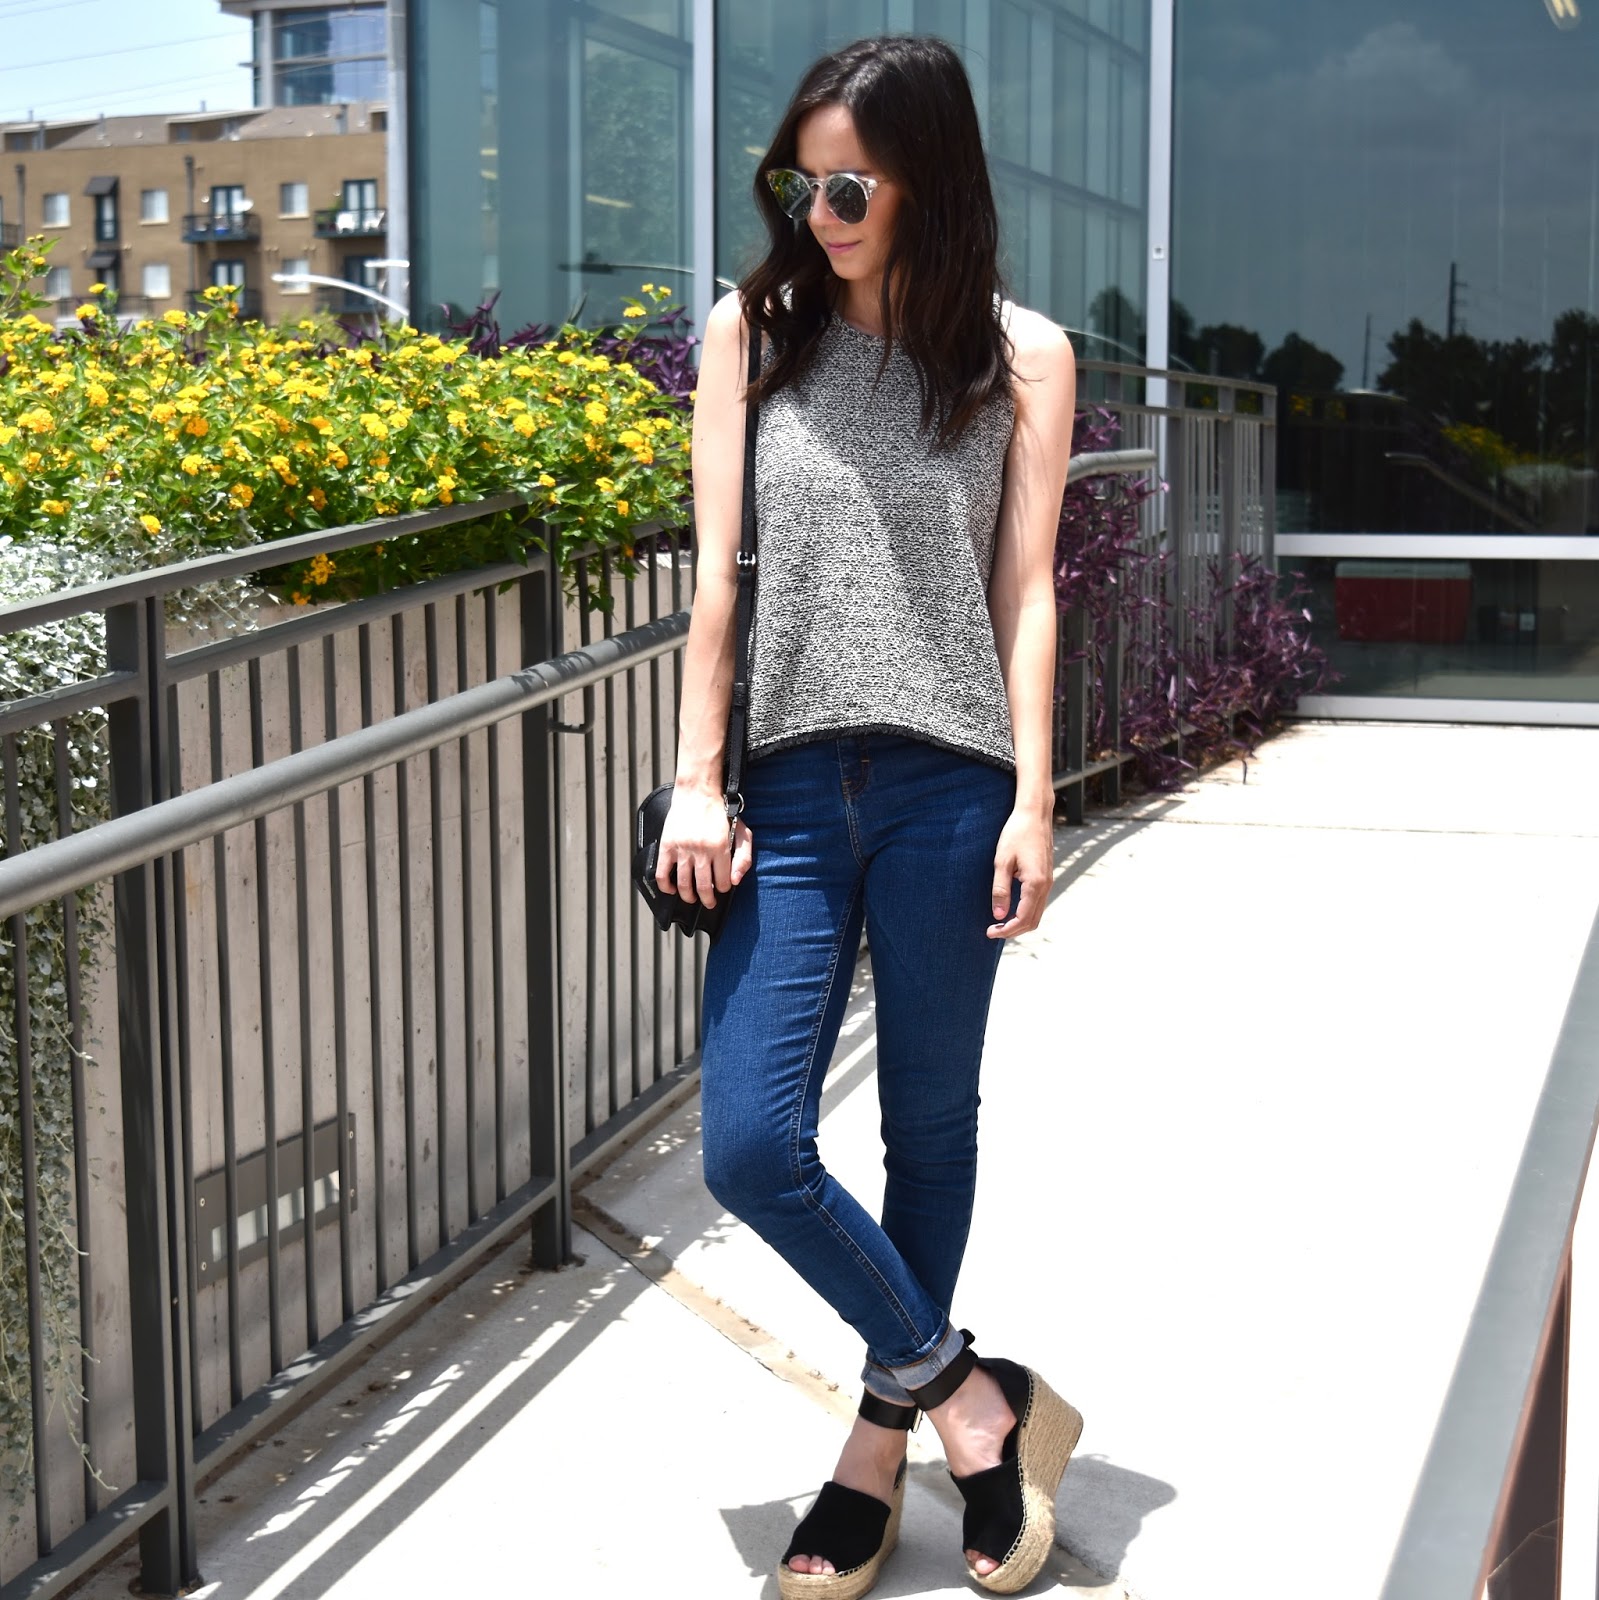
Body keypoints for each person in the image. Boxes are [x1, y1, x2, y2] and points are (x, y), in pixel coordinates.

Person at [656, 34, 1079, 1599]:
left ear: (926, 183)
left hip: (949, 785)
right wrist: (698, 776)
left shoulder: (1022, 358)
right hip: (786, 786)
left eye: (851, 187)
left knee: (928, 1126)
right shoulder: (752, 333)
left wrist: (1033, 795)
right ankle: (973, 1399)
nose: (819, 214)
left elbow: (1024, 594)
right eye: (799, 183)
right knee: (752, 1145)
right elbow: (716, 582)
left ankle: (874, 1452)